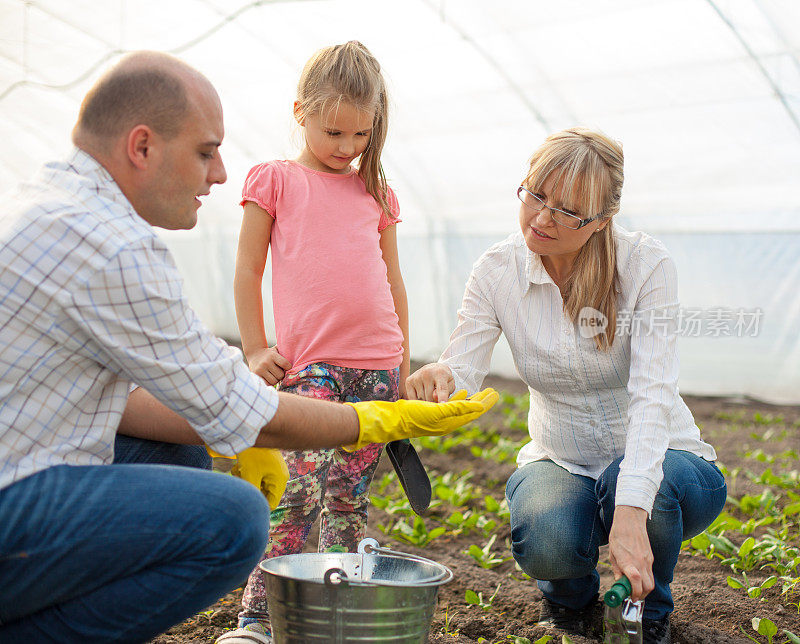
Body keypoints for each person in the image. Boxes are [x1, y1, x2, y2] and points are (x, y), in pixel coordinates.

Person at [0, 50, 498, 644]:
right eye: (206, 152)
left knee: (184, 459)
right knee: (237, 517)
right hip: (17, 495)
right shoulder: (113, 247)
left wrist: (378, 382)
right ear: (142, 147)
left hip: (28, 461)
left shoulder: (47, 205)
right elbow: (234, 407)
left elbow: (131, 401)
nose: (218, 173)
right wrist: (365, 419)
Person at [406, 128, 726, 644]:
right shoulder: (497, 271)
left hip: (668, 456)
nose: (540, 217)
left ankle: (650, 616)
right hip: (563, 457)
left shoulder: (644, 266)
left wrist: (630, 513)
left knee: (646, 487)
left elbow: (651, 396)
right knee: (547, 535)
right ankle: (572, 611)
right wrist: (442, 377)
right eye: (535, 195)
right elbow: (461, 368)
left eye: (565, 210)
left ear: (601, 220)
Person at [221, 41, 409, 643]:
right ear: (300, 111)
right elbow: (248, 269)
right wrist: (255, 349)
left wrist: (402, 366)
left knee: (348, 503)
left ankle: (335, 618)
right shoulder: (274, 181)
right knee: (293, 499)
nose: (347, 147)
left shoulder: (376, 192)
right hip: (313, 368)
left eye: (361, 134)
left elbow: (392, 280)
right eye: (334, 131)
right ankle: (256, 620)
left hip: (376, 369)